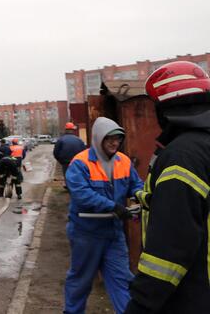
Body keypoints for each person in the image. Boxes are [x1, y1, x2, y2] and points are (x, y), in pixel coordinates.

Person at [124, 61, 210, 313]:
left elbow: (171, 247)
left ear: (164, 108)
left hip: (191, 295)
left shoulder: (183, 155)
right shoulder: (203, 148)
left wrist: (141, 302)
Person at [64, 117, 144, 314]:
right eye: (109, 139)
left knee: (122, 280)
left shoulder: (123, 161)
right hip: (86, 233)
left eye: (118, 139)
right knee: (81, 280)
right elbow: (82, 195)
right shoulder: (80, 163)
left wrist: (142, 197)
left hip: (113, 234)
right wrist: (114, 207)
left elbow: (135, 185)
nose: (114, 143)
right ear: (98, 138)